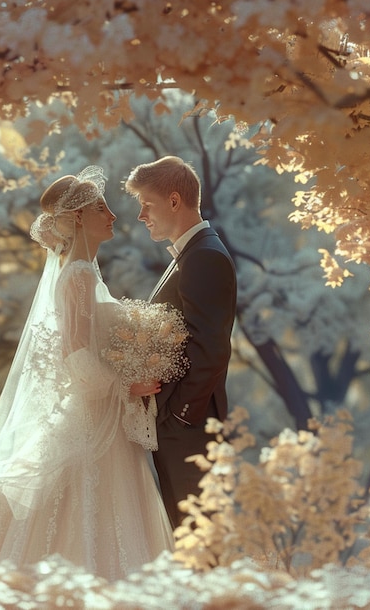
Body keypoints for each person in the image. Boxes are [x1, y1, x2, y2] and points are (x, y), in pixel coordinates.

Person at [0, 166, 174, 581]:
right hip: (94, 415)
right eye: (102, 207)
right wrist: (126, 384)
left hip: (100, 415)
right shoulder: (76, 275)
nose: (113, 215)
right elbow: (74, 356)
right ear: (79, 218)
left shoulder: (83, 271)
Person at [125, 155, 237, 528]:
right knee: (187, 537)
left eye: (146, 204)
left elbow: (212, 349)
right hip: (180, 428)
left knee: (199, 539)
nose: (141, 215)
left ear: (174, 201)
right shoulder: (191, 254)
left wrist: (178, 414)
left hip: (190, 429)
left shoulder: (204, 256)